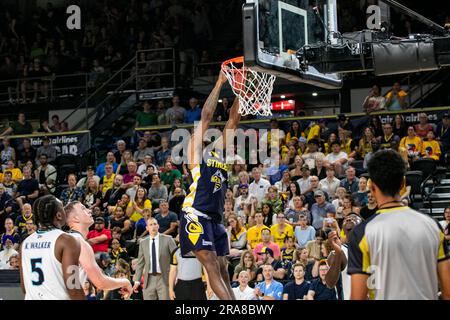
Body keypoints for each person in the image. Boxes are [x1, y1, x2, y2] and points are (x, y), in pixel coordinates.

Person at [348, 150, 450, 300]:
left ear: (372, 187)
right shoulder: (432, 226)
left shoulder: (362, 233)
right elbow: (448, 292)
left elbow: (358, 297)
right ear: (403, 183)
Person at [179, 71, 241, 300]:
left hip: (215, 219)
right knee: (212, 266)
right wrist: (219, 83)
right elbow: (206, 117)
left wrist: (242, 94)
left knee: (224, 269)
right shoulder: (195, 155)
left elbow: (233, 121)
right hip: (195, 215)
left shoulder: (218, 152)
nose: (206, 139)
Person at [19, 195, 85, 300]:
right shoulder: (67, 240)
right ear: (59, 215)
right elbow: (73, 286)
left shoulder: (25, 243)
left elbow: (24, 287)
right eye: (63, 208)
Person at [65, 201, 132, 298]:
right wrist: (125, 281)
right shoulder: (79, 242)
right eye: (83, 208)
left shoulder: (68, 239)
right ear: (76, 218)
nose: (89, 210)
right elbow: (100, 282)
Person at [132, 218, 177, 300]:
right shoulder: (143, 242)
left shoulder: (168, 239)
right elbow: (140, 263)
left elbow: (177, 259)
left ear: (158, 226)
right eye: (151, 225)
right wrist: (137, 281)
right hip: (148, 279)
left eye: (155, 224)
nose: (153, 226)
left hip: (165, 278)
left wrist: (176, 277)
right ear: (147, 228)